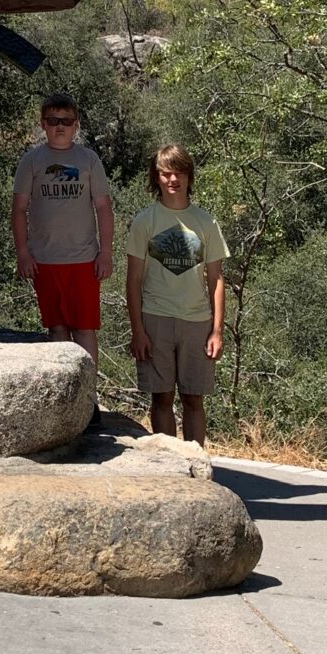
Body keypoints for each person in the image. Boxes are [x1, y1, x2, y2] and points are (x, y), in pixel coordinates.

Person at [12, 94, 115, 418]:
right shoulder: (31, 161)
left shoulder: (88, 160)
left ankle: (88, 400)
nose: (60, 127)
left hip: (84, 259)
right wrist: (23, 253)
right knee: (57, 328)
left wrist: (106, 252)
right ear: (43, 124)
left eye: (66, 121)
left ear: (76, 126)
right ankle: (64, 400)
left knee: (85, 329)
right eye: (53, 120)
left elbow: (103, 207)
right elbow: (19, 209)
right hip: (45, 260)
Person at [124, 143, 227, 447]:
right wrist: (138, 331)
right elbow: (133, 280)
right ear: (156, 178)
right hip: (156, 319)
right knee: (162, 397)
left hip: (197, 320)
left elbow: (217, 278)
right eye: (166, 173)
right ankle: (169, 467)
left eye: (179, 173)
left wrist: (217, 331)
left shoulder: (206, 222)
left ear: (189, 176)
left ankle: (197, 467)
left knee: (194, 398)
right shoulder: (145, 221)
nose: (173, 180)